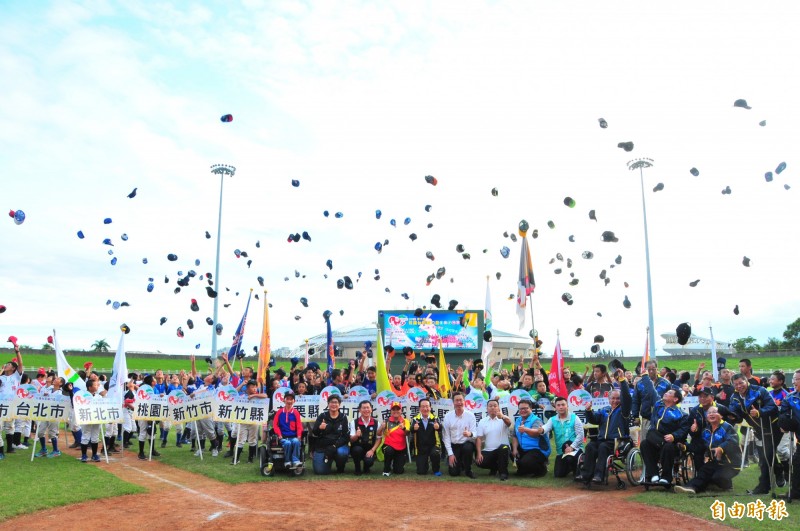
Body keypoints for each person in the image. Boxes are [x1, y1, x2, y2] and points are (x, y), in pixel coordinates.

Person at [728, 373, 780, 495]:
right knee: (765, 456)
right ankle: (776, 473)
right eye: (736, 384)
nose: (739, 386)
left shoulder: (760, 390)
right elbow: (737, 416)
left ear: (747, 381)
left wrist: (759, 412)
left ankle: (766, 484)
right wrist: (732, 416)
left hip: (774, 427)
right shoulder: (735, 397)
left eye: (741, 383)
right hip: (758, 430)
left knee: (765, 456)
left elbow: (773, 407)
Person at [578, 369, 631, 483]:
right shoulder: (604, 410)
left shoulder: (623, 411)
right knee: (590, 447)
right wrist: (588, 410)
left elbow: (626, 397)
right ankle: (585, 475)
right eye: (613, 398)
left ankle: (598, 476)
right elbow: (594, 420)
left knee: (603, 448)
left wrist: (622, 380)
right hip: (601, 439)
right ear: (608, 399)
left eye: (618, 398)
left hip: (616, 441)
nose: (615, 400)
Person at [675, 406, 741, 494]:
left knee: (717, 477)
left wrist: (721, 448)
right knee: (703, 472)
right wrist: (685, 447)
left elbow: (732, 441)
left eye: (714, 412)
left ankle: (727, 485)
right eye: (709, 413)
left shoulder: (727, 427)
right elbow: (699, 446)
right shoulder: (705, 431)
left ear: (721, 416)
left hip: (731, 464)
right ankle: (691, 488)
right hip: (716, 462)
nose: (711, 414)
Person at [640, 385, 689, 485]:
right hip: (655, 439)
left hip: (671, 443)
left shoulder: (682, 414)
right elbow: (651, 391)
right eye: (667, 392)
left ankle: (666, 477)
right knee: (645, 443)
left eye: (670, 393)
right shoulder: (658, 405)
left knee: (667, 446)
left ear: (675, 399)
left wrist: (673, 436)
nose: (666, 393)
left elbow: (683, 430)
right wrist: (645, 376)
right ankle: (653, 474)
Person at [542, 396, 584, 478]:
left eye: (563, 405)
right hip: (561, 451)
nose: (561, 407)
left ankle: (579, 464)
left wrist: (572, 447)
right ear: (555, 407)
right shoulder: (552, 419)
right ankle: (571, 467)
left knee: (570, 459)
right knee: (558, 475)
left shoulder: (575, 418)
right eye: (558, 405)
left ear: (567, 406)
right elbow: (546, 428)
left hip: (575, 449)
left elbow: (581, 435)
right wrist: (541, 430)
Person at [632, 360, 671, 442]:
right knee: (646, 442)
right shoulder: (639, 384)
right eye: (648, 369)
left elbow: (671, 400)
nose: (651, 371)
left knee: (661, 442)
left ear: (657, 369)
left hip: (661, 418)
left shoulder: (666, 383)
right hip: (647, 418)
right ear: (645, 370)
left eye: (653, 368)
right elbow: (636, 400)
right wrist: (635, 416)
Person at [511, 398, 550, 477]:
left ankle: (542, 469)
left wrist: (525, 429)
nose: (523, 410)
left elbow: (536, 433)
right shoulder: (518, 420)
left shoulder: (536, 420)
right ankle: (523, 470)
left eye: (526, 408)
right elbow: (515, 436)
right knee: (510, 450)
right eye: (521, 409)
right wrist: (515, 449)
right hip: (524, 449)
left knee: (526, 462)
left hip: (538, 450)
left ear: (531, 409)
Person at [311, 394, 349, 474]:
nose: (334, 404)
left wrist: (334, 446)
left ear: (339, 404)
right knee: (320, 471)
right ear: (328, 404)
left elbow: (345, 436)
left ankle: (340, 468)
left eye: (336, 402)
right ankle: (328, 462)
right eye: (331, 402)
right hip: (323, 446)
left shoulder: (343, 417)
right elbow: (315, 432)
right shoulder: (322, 416)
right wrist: (319, 428)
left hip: (338, 445)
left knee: (342, 453)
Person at [442, 392, 477, 478]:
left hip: (466, 444)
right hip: (454, 446)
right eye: (456, 400)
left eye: (460, 400)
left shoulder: (470, 415)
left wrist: (470, 433)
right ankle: (460, 464)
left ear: (464, 401)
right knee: (453, 473)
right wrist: (450, 454)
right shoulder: (448, 416)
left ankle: (468, 470)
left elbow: (476, 434)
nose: (459, 403)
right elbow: (446, 437)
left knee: (468, 448)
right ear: (453, 403)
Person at [475, 398, 512, 480]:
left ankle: (503, 473)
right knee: (479, 461)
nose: (492, 407)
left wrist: (502, 417)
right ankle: (495, 467)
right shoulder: (482, 421)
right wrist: (479, 453)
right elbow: (479, 438)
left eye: (495, 406)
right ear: (487, 408)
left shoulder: (503, 418)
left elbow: (509, 423)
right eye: (490, 406)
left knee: (503, 448)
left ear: (498, 408)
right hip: (489, 450)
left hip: (503, 449)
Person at [233, 380, 267, 465]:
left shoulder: (258, 396)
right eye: (252, 387)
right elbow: (233, 393)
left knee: (252, 440)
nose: (255, 388)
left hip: (254, 421)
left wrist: (254, 395)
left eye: (255, 386)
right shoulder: (242, 395)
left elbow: (265, 395)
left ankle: (250, 458)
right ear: (247, 388)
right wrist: (242, 384)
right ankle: (236, 458)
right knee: (241, 440)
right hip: (243, 421)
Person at [778, 369, 800, 501]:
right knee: (797, 466)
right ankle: (796, 492)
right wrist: (784, 424)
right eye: (794, 379)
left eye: (797, 379)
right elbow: (784, 415)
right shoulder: (790, 398)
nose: (794, 382)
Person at [411, 398, 442, 476]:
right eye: (423, 406)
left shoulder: (435, 418)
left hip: (433, 445)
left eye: (427, 406)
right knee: (421, 472)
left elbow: (440, 429)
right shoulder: (415, 419)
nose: (425, 408)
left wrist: (438, 427)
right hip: (421, 447)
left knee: (435, 454)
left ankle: (436, 469)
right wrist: (414, 429)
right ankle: (425, 463)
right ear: (419, 408)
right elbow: (411, 430)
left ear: (430, 408)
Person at [273, 390, 303, 469]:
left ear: (294, 401)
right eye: (287, 399)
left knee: (296, 441)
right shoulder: (279, 412)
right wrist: (279, 435)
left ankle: (295, 461)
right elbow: (275, 425)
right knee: (287, 443)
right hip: (283, 437)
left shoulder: (296, 412)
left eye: (291, 399)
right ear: (284, 400)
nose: (289, 401)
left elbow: (299, 425)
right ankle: (287, 461)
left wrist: (299, 436)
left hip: (293, 437)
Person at [379, 401, 409, 476]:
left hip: (401, 448)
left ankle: (395, 463)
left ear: (401, 410)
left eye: (397, 409)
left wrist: (404, 428)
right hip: (388, 446)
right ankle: (386, 470)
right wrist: (381, 428)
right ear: (391, 411)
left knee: (399, 471)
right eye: (393, 409)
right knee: (389, 450)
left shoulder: (405, 421)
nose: (395, 411)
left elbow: (408, 434)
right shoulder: (386, 421)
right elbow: (378, 434)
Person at [349, 400, 379, 475]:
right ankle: (357, 468)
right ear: (359, 410)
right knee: (357, 450)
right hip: (357, 448)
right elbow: (351, 440)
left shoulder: (376, 423)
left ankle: (366, 467)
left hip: (370, 449)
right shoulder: (354, 422)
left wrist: (372, 450)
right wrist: (356, 435)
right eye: (364, 408)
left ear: (371, 409)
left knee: (369, 461)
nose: (366, 410)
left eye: (368, 408)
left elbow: (379, 438)